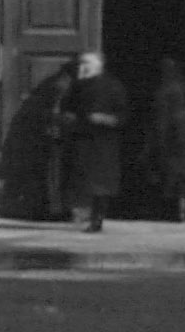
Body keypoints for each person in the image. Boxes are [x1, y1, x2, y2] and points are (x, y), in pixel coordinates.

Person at [53, 44, 131, 232]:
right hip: (79, 140)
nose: (83, 67)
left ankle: (97, 219)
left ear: (98, 65)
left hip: (103, 142)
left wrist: (105, 119)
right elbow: (66, 108)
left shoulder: (113, 86)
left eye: (87, 63)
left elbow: (123, 115)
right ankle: (77, 215)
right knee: (78, 179)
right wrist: (67, 118)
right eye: (81, 64)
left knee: (100, 184)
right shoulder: (76, 86)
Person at [144, 54, 185, 225]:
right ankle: (181, 211)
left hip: (172, 137)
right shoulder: (181, 88)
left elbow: (163, 117)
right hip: (182, 137)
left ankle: (172, 211)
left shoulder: (166, 90)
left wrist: (157, 139)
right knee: (180, 174)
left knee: (171, 173)